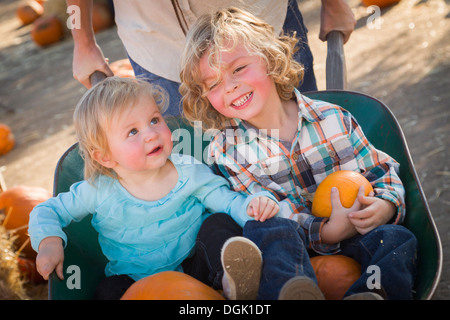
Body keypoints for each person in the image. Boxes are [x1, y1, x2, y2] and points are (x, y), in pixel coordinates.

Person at [179, 7, 418, 300]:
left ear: (269, 58)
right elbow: (273, 212)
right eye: (213, 84)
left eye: (239, 69)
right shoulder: (227, 150)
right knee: (267, 227)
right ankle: (291, 294)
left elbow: (381, 172)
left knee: (397, 239)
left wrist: (385, 206)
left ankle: (372, 293)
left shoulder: (333, 119)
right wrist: (327, 232)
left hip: (359, 234)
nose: (230, 87)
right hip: (288, 256)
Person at [27, 77, 280, 300]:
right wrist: (49, 242)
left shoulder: (187, 170)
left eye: (154, 120)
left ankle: (231, 285)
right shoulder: (97, 191)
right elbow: (48, 210)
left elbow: (226, 200)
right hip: (140, 285)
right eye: (133, 131)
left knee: (219, 223)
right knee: (108, 290)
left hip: (198, 268)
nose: (151, 134)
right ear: (105, 157)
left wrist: (251, 206)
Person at [67, 0, 355, 116]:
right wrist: (82, 40)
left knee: (310, 139)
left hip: (261, 23)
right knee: (204, 175)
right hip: (159, 47)